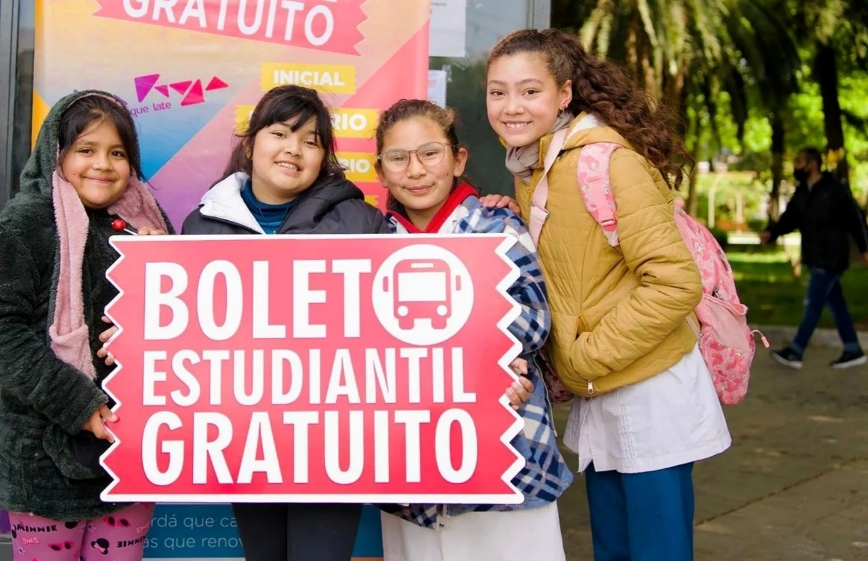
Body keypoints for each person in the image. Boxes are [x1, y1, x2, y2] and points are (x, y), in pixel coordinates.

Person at [482, 29, 731, 561]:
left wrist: (585, 356)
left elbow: (674, 282)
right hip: (604, 392)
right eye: (497, 92)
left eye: (530, 91)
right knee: (614, 548)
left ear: (564, 94)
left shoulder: (607, 161)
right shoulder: (536, 163)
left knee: (658, 550)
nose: (511, 106)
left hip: (651, 390)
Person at [179, 84, 385, 561]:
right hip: (245, 435)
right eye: (280, 133)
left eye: (310, 141)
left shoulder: (362, 222)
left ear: (324, 158)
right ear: (250, 145)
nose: (294, 149)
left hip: (333, 439)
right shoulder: (200, 225)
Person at [0, 90, 170, 561]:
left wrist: (164, 267)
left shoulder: (148, 226)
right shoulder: (23, 224)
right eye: (86, 149)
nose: (102, 164)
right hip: (45, 461)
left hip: (129, 452)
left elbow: (183, 329)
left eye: (117, 153)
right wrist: (78, 403)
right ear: (55, 154)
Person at [371, 98, 571, 561]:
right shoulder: (373, 242)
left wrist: (486, 362)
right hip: (411, 463)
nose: (415, 170)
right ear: (380, 171)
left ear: (458, 159)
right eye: (398, 158)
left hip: (510, 445)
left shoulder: (497, 226)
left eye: (430, 153)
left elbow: (533, 318)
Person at [761, 147, 868, 369]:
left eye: (799, 162)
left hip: (832, 257)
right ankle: (853, 349)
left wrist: (865, 248)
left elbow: (855, 218)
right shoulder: (802, 192)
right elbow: (789, 218)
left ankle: (796, 351)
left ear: (812, 164)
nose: (796, 166)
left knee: (813, 304)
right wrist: (772, 233)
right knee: (836, 304)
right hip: (814, 256)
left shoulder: (834, 189)